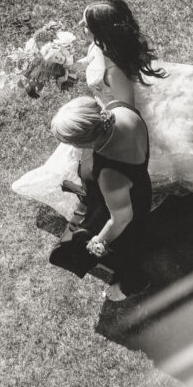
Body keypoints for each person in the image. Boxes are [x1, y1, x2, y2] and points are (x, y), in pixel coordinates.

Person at [13, 0, 193, 212]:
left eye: (85, 23)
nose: (80, 25)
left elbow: (125, 110)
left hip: (129, 116)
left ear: (101, 31)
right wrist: (64, 68)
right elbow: (94, 61)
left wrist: (97, 118)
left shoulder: (114, 72)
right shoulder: (105, 47)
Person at [50, 96, 152, 300]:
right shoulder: (120, 109)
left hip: (125, 205)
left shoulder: (109, 174)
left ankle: (132, 284)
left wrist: (99, 241)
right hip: (137, 184)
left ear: (83, 142)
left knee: (127, 248)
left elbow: (121, 218)